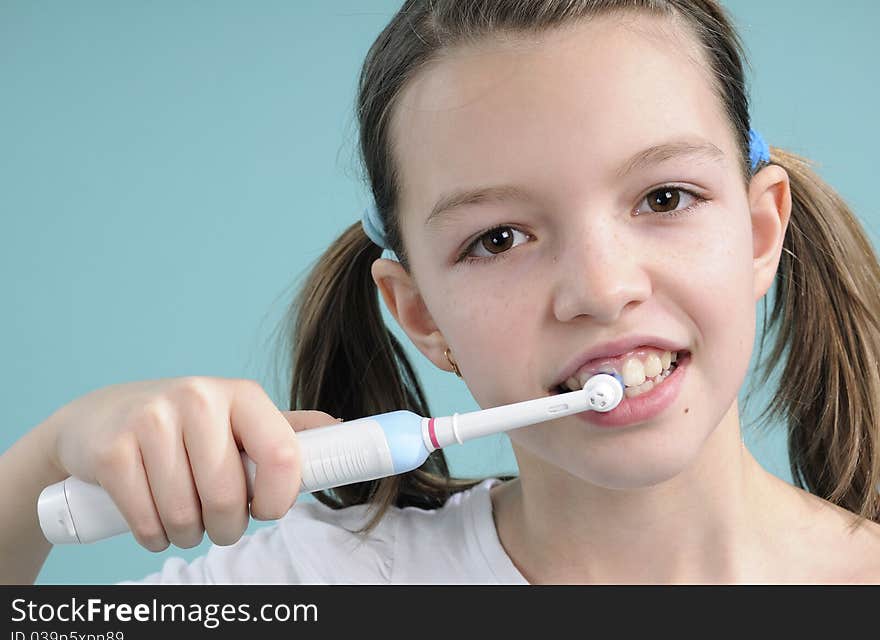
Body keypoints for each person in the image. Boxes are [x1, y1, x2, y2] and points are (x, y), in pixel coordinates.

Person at [2, 0, 879, 585]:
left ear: (760, 232)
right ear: (422, 315)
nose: (603, 289)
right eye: (498, 239)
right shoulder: (321, 581)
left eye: (664, 198)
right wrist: (46, 457)